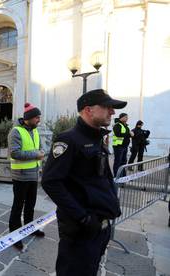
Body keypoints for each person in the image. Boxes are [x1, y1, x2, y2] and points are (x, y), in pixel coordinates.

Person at [42, 89, 126, 276]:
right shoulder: (68, 139)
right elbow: (50, 181)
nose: (112, 112)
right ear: (88, 110)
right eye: (107, 107)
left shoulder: (97, 138)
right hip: (81, 231)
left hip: (99, 229)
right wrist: (83, 218)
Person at [8, 103, 46, 251]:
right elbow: (15, 153)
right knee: (18, 206)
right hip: (21, 176)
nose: (39, 120)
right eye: (37, 117)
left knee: (31, 204)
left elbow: (41, 148)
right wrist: (36, 154)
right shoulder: (15, 132)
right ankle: (14, 235)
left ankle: (30, 228)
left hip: (33, 174)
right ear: (28, 118)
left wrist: (41, 152)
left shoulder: (35, 131)